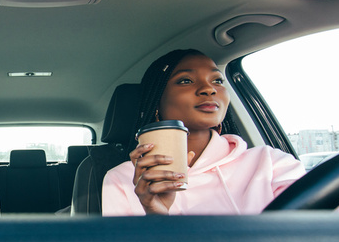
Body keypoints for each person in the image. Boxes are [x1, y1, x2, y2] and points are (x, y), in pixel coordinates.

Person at [102, 49, 305, 216]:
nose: (209, 89)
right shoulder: (123, 178)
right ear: (157, 101)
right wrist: (158, 217)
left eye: (217, 81)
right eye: (185, 81)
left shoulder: (271, 162)